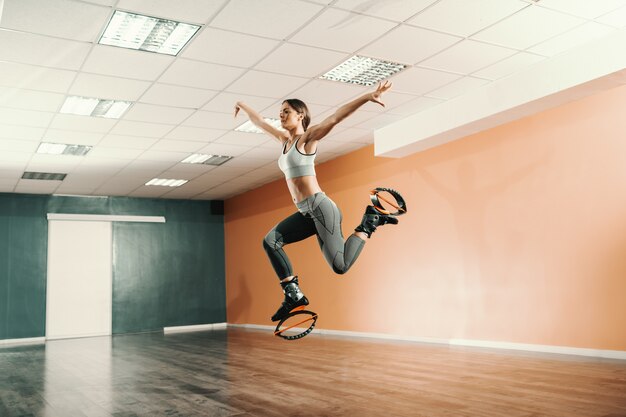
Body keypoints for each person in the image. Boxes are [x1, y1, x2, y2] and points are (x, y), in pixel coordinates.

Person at [234, 81, 399, 322]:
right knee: (271, 241)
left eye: (286, 111)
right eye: (280, 112)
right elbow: (260, 122)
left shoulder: (307, 139)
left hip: (321, 208)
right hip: (306, 212)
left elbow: (335, 118)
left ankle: (369, 221)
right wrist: (242, 104)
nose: (281, 115)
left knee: (340, 266)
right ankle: (294, 295)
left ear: (300, 115)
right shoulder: (284, 141)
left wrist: (367, 96)